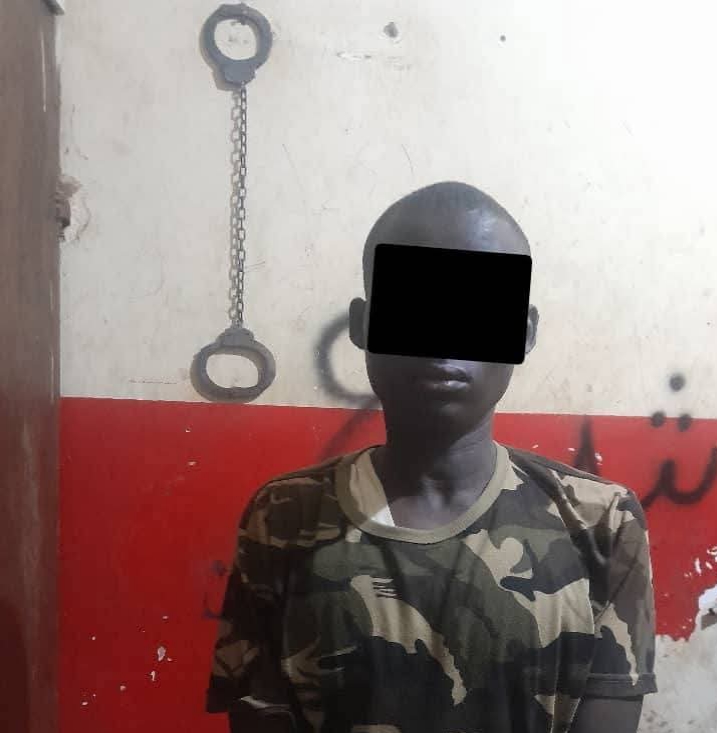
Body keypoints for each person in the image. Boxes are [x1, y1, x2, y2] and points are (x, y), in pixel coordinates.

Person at [206, 181, 657, 733]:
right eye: (415, 302)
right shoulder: (284, 519)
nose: (444, 341)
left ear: (523, 332)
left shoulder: (600, 523)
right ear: (363, 325)